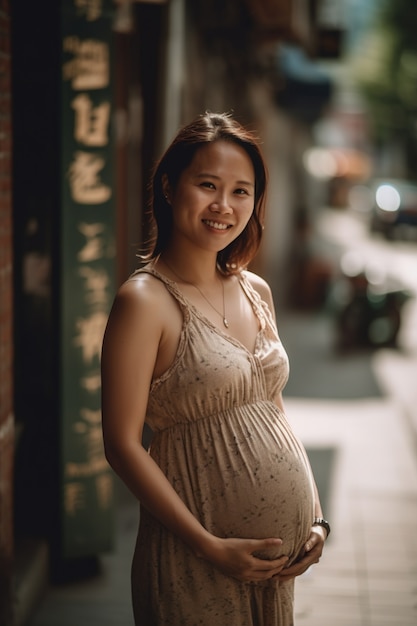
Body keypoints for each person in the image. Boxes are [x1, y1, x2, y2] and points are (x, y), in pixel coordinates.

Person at [101, 111, 330, 626]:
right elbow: (120, 444)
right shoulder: (145, 301)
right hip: (194, 559)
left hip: (277, 572)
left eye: (241, 191)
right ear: (168, 184)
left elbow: (274, 413)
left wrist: (316, 518)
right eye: (207, 184)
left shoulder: (256, 289)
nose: (223, 206)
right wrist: (208, 545)